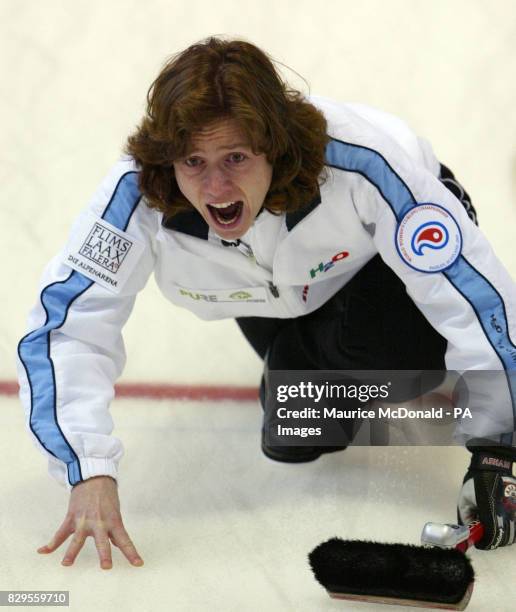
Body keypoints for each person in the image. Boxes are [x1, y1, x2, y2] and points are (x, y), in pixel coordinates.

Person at [17, 36, 516, 571]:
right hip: (275, 299)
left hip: (379, 272)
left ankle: (389, 368)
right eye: (193, 160)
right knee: (294, 433)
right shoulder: (136, 196)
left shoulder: (362, 162)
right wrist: (88, 467)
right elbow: (67, 326)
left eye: (235, 157)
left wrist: (496, 447)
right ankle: (312, 370)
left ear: (274, 147)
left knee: (393, 346)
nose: (215, 187)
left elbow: (472, 295)